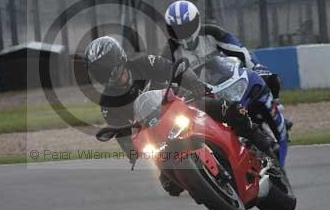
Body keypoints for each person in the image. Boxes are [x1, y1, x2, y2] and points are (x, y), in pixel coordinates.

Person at [84, 36, 275, 196]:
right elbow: (122, 134)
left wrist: (196, 87)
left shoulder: (142, 63)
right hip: (157, 136)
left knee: (229, 109)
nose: (105, 73)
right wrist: (133, 151)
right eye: (99, 70)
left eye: (105, 66)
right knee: (171, 187)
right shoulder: (108, 102)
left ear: (118, 58)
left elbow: (175, 70)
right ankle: (209, 189)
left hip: (180, 104)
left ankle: (262, 141)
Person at [163, 0, 289, 166]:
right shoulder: (170, 51)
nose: (182, 33)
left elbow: (241, 51)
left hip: (231, 81)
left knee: (271, 79)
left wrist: (257, 67)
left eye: (186, 27)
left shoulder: (212, 33)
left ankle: (275, 109)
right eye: (176, 29)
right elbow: (166, 80)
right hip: (204, 96)